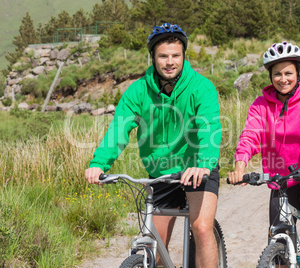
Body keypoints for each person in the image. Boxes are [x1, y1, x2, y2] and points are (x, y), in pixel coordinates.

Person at [85, 23, 222, 268]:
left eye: (175, 55)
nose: (170, 62)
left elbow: (209, 128)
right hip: (161, 172)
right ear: (153, 57)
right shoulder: (137, 92)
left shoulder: (202, 88)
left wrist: (203, 164)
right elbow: (118, 130)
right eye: (163, 56)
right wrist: (98, 164)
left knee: (201, 228)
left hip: (198, 167)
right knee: (155, 246)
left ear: (183, 56)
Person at [228, 41, 300, 268]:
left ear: (298, 73)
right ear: (270, 76)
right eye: (277, 73)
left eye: (288, 72)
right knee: (278, 237)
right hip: (282, 178)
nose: (283, 78)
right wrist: (240, 166)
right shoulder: (261, 105)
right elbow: (251, 134)